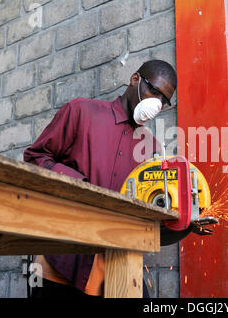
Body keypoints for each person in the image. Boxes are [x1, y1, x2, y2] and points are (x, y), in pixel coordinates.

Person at [23, 60, 177, 298]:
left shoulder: (152, 149)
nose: (156, 105)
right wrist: (79, 184)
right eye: (154, 92)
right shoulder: (81, 111)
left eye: (164, 101)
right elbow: (35, 157)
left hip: (113, 270)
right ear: (135, 80)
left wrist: (179, 220)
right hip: (60, 263)